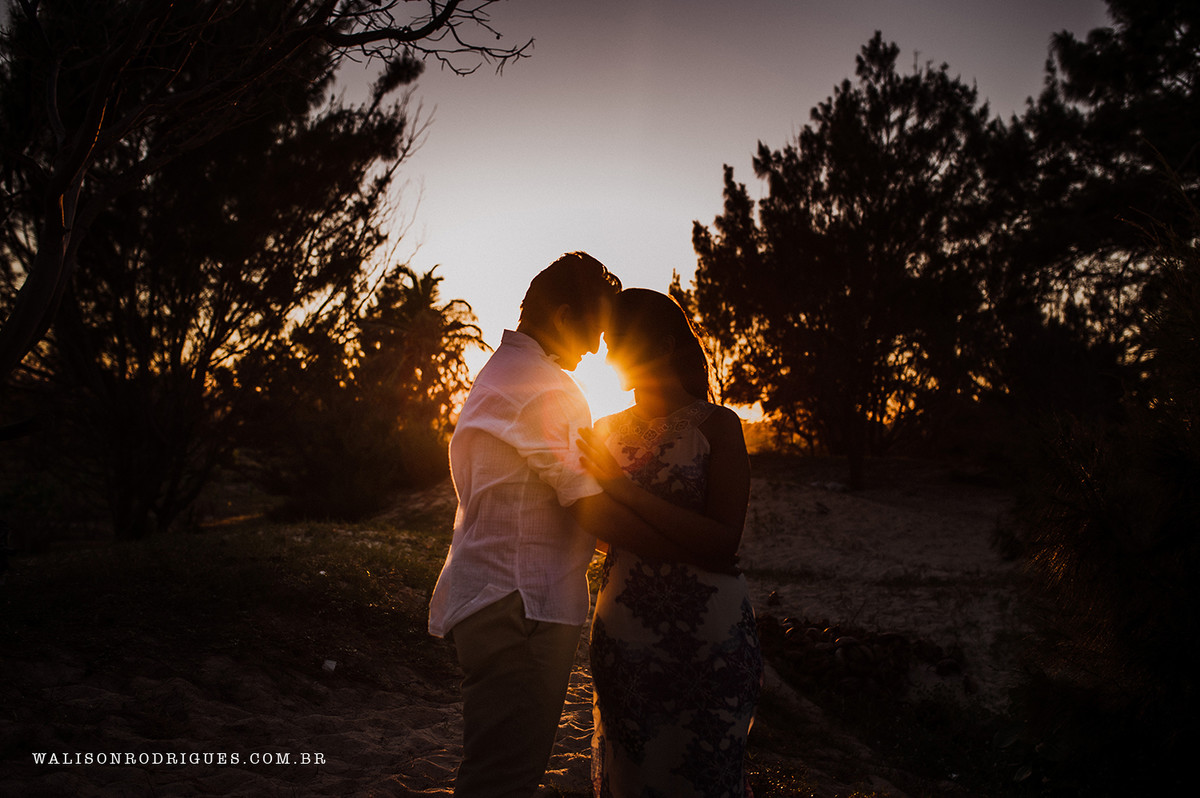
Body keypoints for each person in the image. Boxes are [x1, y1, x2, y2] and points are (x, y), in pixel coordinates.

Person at [428, 255, 731, 798]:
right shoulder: (546, 388)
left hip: (499, 599)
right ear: (564, 315)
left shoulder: (506, 372)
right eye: (592, 330)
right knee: (503, 779)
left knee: (496, 771)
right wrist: (695, 550)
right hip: (521, 607)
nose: (595, 349)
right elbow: (589, 507)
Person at [576, 288, 762, 798]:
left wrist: (622, 490)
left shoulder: (719, 427)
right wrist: (693, 543)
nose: (609, 356)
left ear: (660, 345)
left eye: (620, 343)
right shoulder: (601, 430)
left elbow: (724, 540)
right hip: (625, 641)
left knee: (706, 779)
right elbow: (596, 528)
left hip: (710, 644)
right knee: (632, 777)